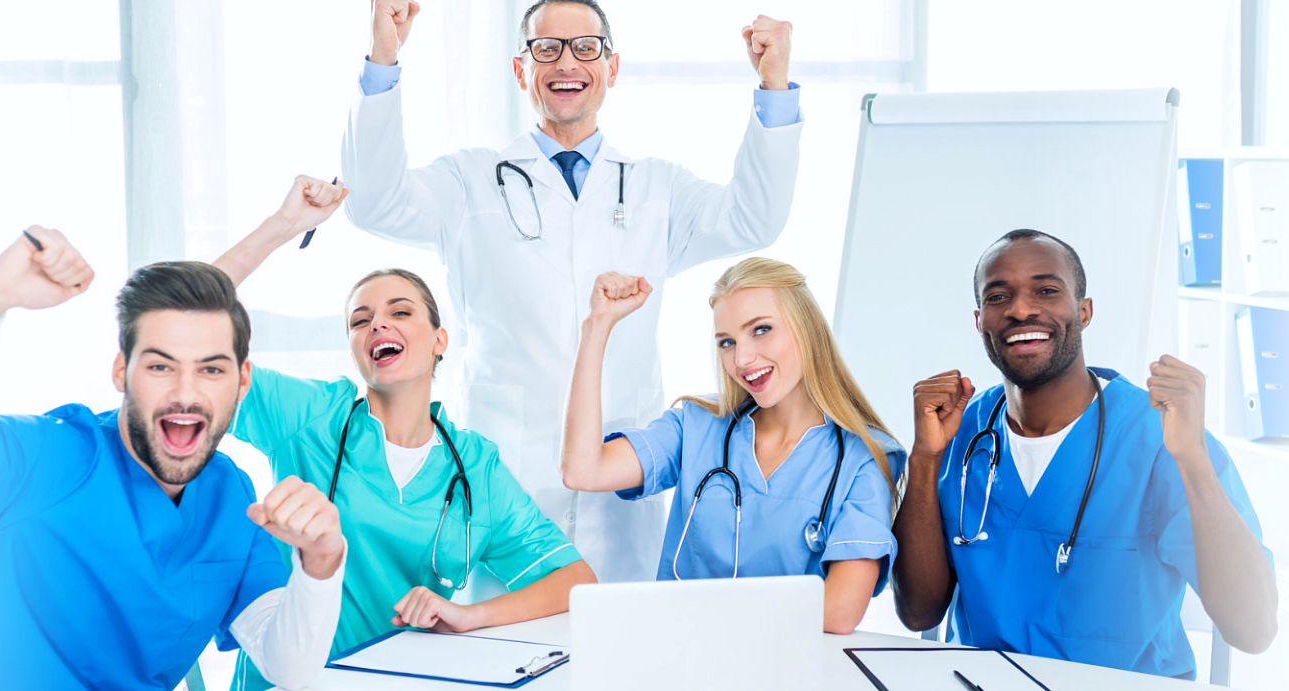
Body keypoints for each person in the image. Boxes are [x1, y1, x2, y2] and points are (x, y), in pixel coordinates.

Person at [343, 0, 805, 582]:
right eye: (547, 48)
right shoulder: (469, 181)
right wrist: (384, 59)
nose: (568, 62)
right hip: (506, 487)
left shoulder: (656, 188)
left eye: (586, 47)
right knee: (503, 654)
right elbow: (374, 202)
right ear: (520, 70)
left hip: (618, 490)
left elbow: (754, 217)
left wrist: (774, 86)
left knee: (617, 660)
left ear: (612, 68)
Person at [0, 221, 344, 689]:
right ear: (121, 372)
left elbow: (286, 664)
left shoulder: (234, 498)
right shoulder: (48, 458)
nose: (186, 391)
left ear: (242, 380)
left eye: (211, 368)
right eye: (160, 366)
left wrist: (319, 563)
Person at [212, 176, 597, 690]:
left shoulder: (474, 468)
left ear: (440, 340)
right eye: (360, 320)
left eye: (400, 312)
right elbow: (183, 323)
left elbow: (573, 581)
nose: (377, 326)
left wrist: (469, 615)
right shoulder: (311, 416)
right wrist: (283, 227)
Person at [891, 229, 1278, 678]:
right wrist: (923, 459)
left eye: (1046, 290)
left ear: (1084, 310)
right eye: (999, 297)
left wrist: (1192, 459)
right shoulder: (960, 431)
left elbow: (1254, 630)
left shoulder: (1159, 435)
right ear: (980, 321)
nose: (1020, 309)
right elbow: (919, 614)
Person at [558, 259, 903, 634]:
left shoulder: (864, 458)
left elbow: (838, 612)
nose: (741, 359)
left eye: (761, 330)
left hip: (781, 672)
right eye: (727, 342)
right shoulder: (696, 425)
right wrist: (596, 330)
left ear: (807, 330)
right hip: (677, 660)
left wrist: (704, 613)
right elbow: (582, 469)